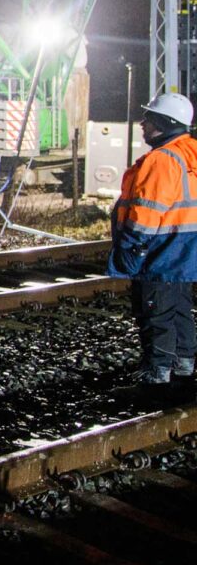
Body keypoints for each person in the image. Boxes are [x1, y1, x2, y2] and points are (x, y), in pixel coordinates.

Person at [109, 92, 197, 388]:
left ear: (165, 122)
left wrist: (132, 244)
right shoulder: (190, 152)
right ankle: (183, 367)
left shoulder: (161, 160)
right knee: (180, 308)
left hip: (163, 249)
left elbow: (147, 211)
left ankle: (157, 373)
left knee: (155, 310)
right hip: (186, 248)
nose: (143, 123)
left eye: (150, 118)